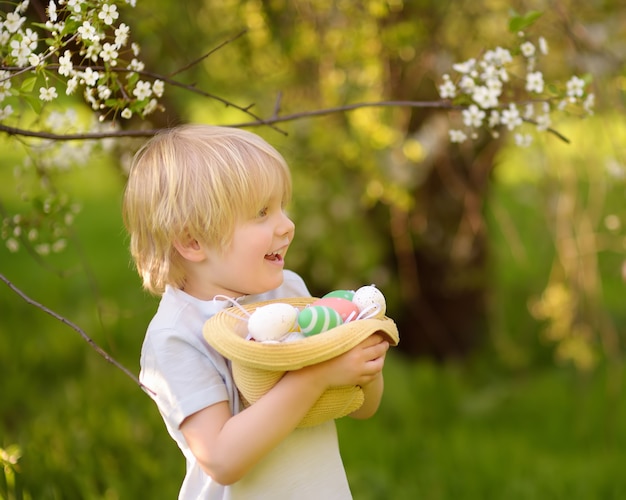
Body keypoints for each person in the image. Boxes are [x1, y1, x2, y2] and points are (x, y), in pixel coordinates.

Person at [122, 124, 390, 499]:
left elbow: (362, 408)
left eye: (282, 206)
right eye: (262, 213)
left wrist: (364, 363)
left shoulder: (288, 291)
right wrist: (314, 376)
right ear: (192, 241)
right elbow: (221, 459)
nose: (287, 225)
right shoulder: (176, 336)